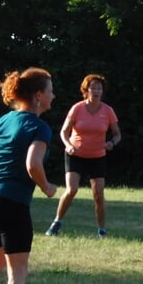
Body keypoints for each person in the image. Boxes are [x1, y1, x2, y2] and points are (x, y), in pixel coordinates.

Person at [0, 68, 59, 284]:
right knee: (17, 271)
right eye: (50, 90)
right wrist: (47, 187)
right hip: (11, 203)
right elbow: (33, 164)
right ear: (39, 96)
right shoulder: (38, 127)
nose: (53, 96)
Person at [45, 74, 121, 238]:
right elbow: (64, 132)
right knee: (72, 189)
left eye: (99, 88)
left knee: (98, 194)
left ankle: (102, 230)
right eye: (93, 87)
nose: (96, 91)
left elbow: (117, 135)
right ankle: (56, 223)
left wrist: (112, 143)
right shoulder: (77, 108)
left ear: (102, 91)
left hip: (97, 156)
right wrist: (69, 145)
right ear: (86, 90)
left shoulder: (108, 111)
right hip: (75, 155)